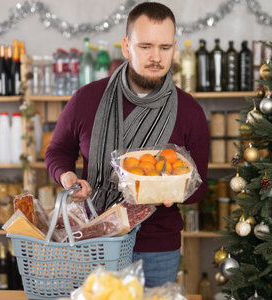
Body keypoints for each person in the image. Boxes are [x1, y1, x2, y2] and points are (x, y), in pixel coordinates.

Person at [45, 2, 210, 287]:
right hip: (94, 238)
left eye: (165, 47)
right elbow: (58, 151)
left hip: (157, 246)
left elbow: (201, 184)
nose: (156, 57)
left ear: (174, 49)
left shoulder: (189, 111)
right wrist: (68, 178)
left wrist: (177, 192)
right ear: (126, 46)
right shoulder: (86, 99)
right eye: (145, 46)